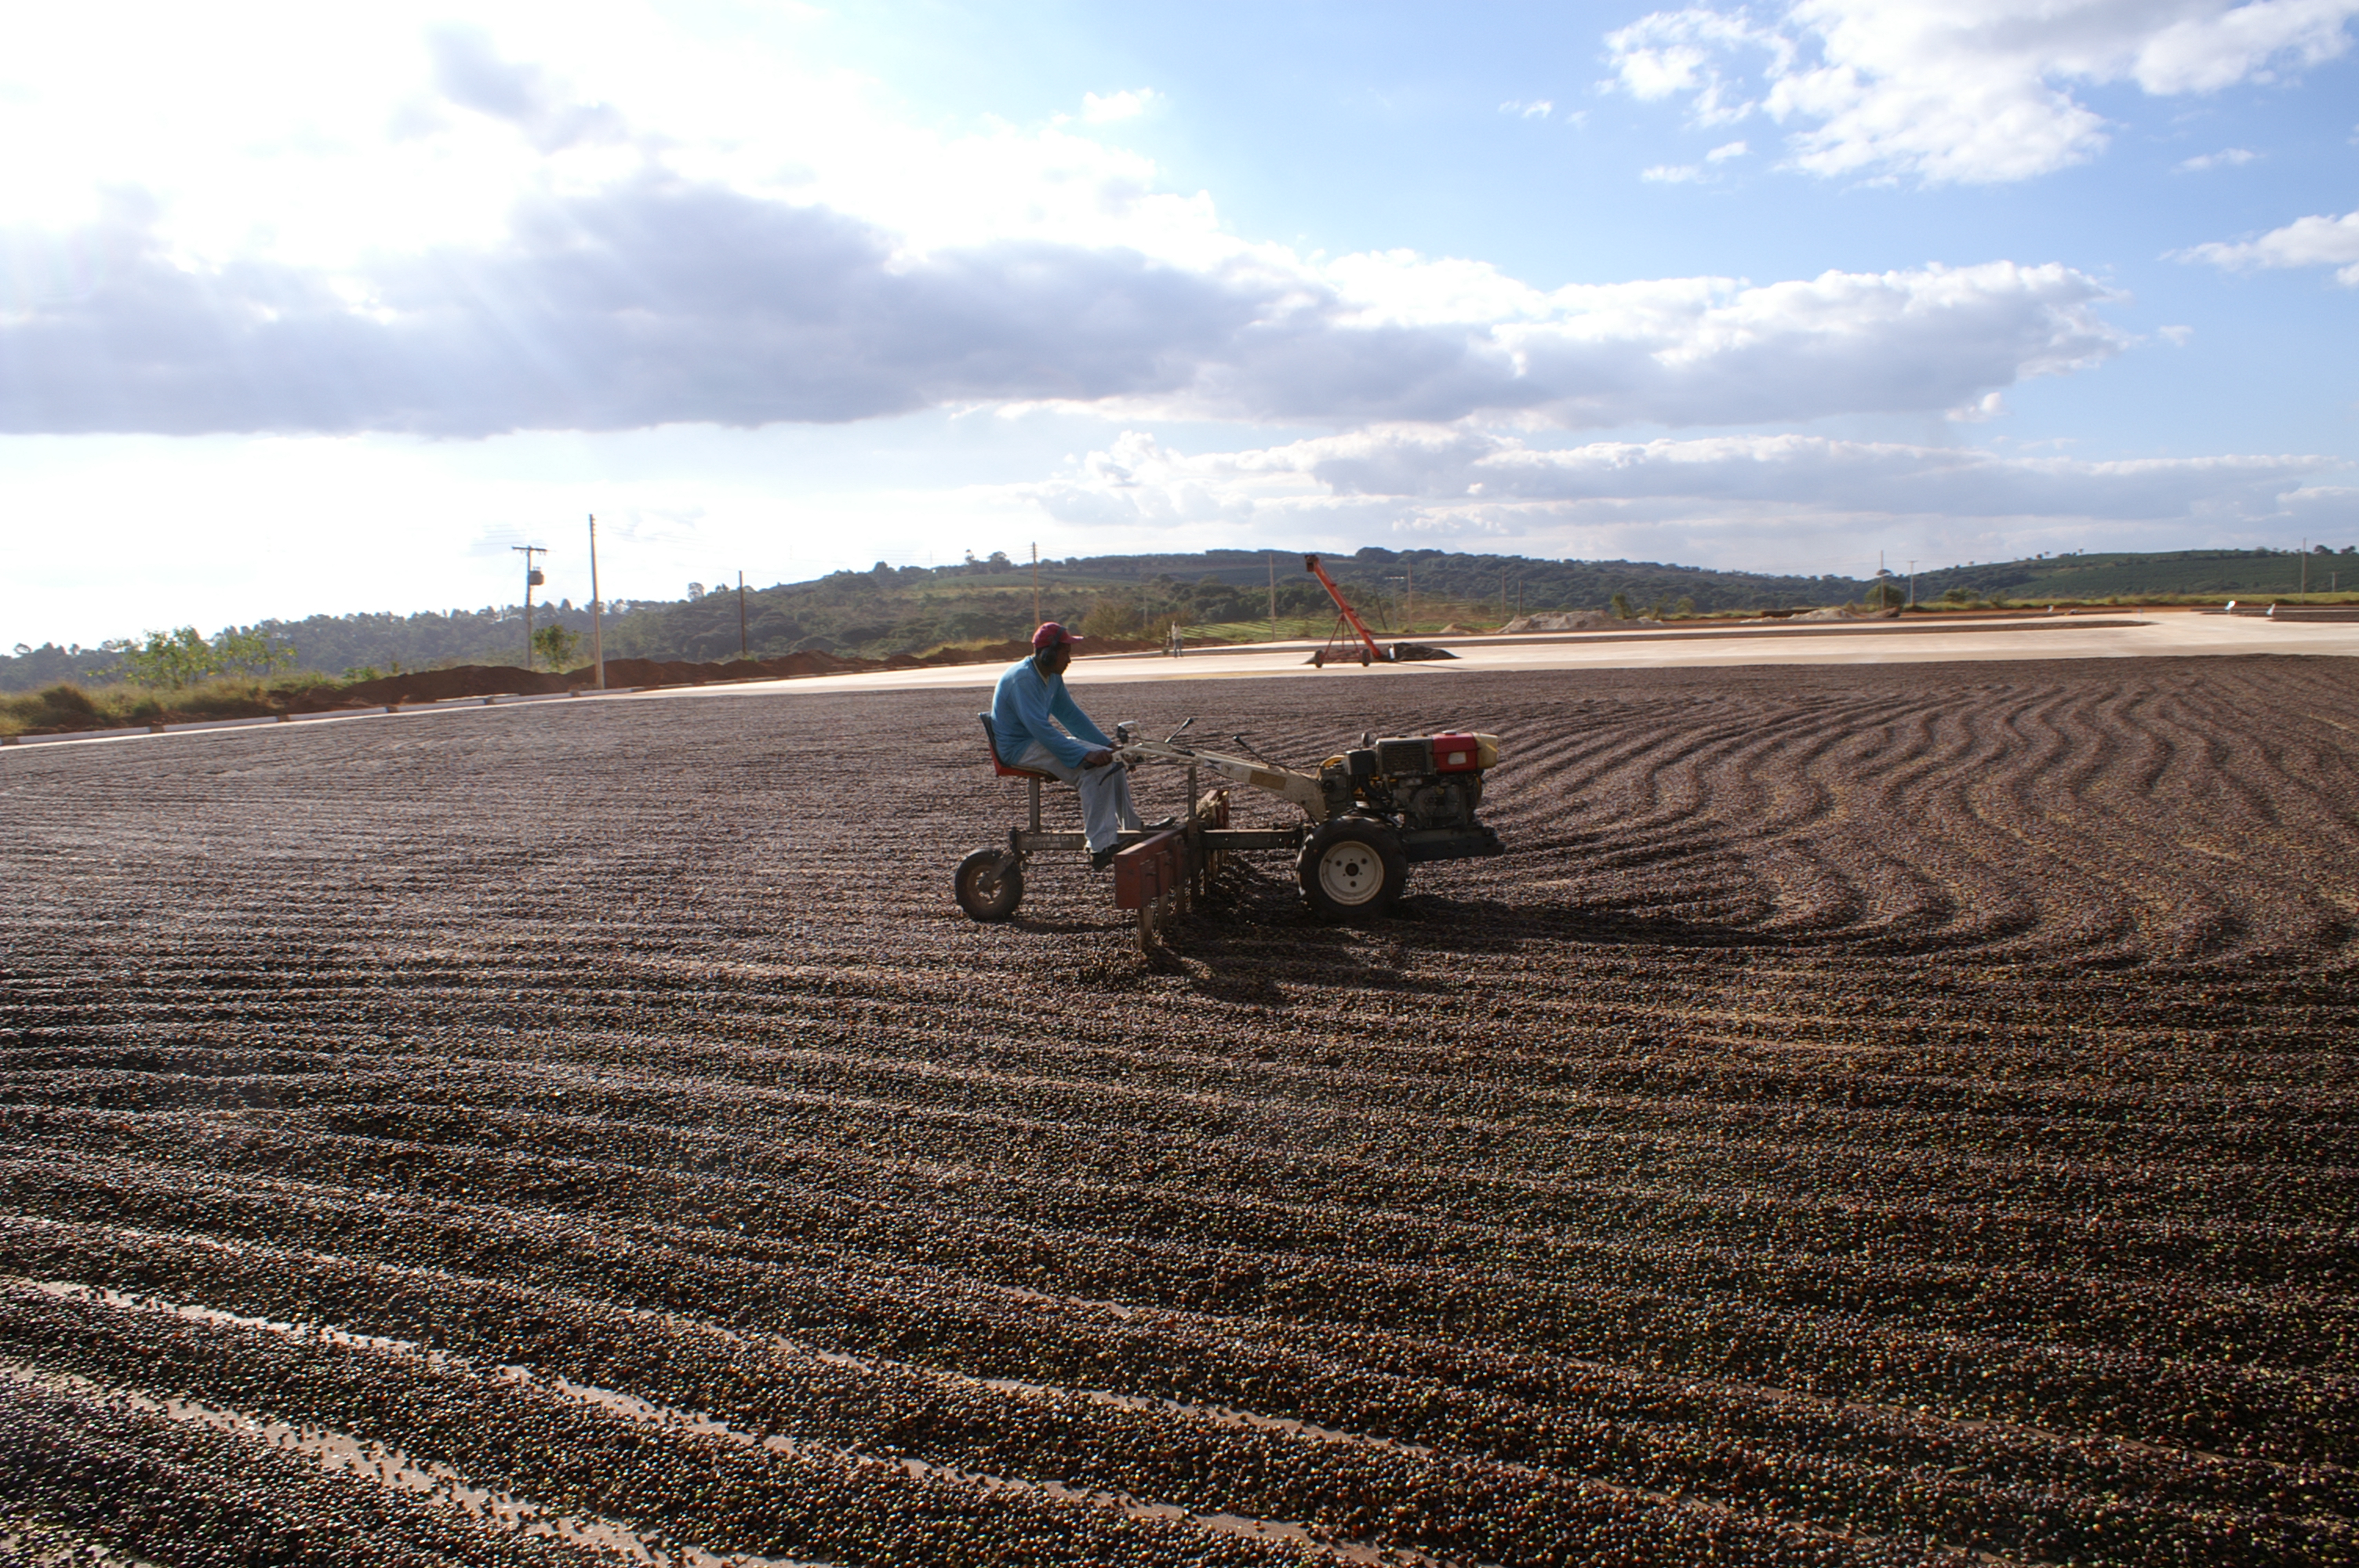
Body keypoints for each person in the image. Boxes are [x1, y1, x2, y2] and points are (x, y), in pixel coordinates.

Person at [992, 622, 1145, 869]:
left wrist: (1109, 746)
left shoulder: (1051, 677)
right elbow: (1039, 729)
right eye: (1066, 652)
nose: (1069, 659)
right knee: (1093, 769)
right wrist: (1085, 754)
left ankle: (1132, 828)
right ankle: (1101, 847)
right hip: (1019, 748)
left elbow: (1071, 715)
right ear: (1048, 653)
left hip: (1034, 740)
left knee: (1111, 759)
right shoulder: (1022, 680)